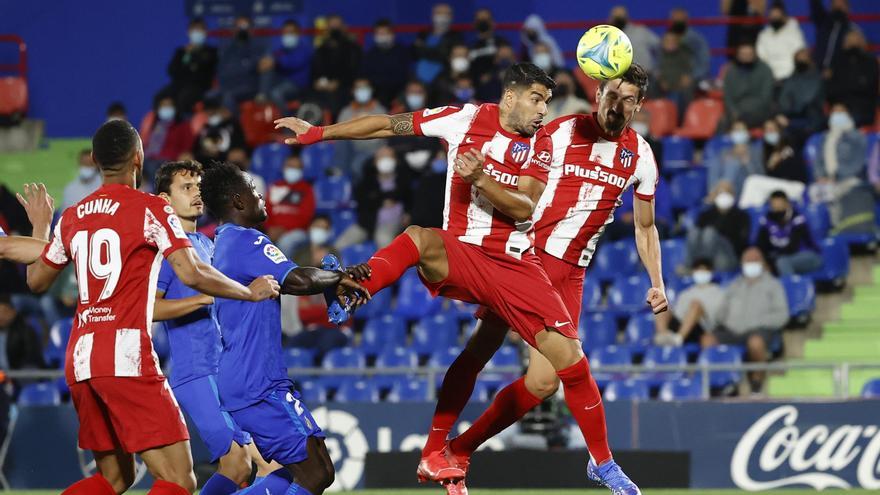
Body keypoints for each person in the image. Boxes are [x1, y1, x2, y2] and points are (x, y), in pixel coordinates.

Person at [276, 63, 663, 495]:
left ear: (639, 105)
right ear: (513, 96)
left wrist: (478, 176)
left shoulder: (551, 144)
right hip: (495, 253)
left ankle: (456, 452)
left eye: (629, 98)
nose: (542, 111)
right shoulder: (529, 127)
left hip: (527, 265)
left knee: (546, 376)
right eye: (537, 100)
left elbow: (528, 208)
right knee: (419, 240)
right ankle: (353, 289)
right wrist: (319, 132)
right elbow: (390, 124)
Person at [24, 120, 280, 495]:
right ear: (139, 158)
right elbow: (191, 273)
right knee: (178, 479)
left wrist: (41, 227)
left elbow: (36, 281)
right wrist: (248, 292)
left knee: (115, 479)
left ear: (95, 160)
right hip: (125, 356)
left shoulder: (74, 215)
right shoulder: (150, 210)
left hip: (80, 359)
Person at [200, 161, 368, 495]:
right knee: (317, 471)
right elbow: (297, 279)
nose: (260, 195)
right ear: (237, 200)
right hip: (257, 381)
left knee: (301, 471)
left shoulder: (228, 242)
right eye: (252, 188)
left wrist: (331, 278)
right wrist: (338, 276)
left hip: (250, 378)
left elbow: (300, 277)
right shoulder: (247, 241)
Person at [152, 160, 279, 495]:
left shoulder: (209, 245)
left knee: (259, 465)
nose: (197, 193)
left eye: (198, 186)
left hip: (229, 372)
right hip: (197, 371)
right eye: (186, 187)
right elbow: (149, 308)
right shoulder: (168, 252)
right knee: (239, 462)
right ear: (165, 200)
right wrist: (206, 299)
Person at [710, 247, 789, 394]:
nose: (751, 263)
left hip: (759, 329)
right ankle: (721, 383)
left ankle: (756, 385)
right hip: (732, 330)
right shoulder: (734, 285)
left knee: (755, 342)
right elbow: (720, 313)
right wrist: (722, 320)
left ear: (762, 263)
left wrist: (758, 321)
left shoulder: (773, 285)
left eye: (755, 260)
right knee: (708, 340)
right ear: (742, 263)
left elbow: (782, 315)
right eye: (748, 260)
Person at [654, 259, 726, 347]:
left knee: (695, 305)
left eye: (704, 270)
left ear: (710, 272)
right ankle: (662, 337)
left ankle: (678, 339)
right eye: (698, 270)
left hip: (702, 328)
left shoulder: (719, 293)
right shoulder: (685, 293)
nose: (701, 273)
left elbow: (718, 317)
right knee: (661, 306)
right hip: (681, 324)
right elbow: (677, 314)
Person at [685, 182, 751, 272]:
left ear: (733, 195)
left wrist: (719, 236)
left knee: (710, 232)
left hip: (728, 253)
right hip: (705, 252)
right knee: (694, 232)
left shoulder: (742, 215)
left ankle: (704, 265)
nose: (724, 196)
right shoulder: (706, 214)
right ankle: (690, 265)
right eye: (720, 193)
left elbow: (741, 241)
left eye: (727, 193)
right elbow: (697, 236)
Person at [354, 146, 412, 247]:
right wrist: (383, 200)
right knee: (340, 244)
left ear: (396, 161)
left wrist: (408, 213)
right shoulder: (366, 183)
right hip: (367, 223)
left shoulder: (404, 180)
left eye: (389, 157)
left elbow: (410, 200)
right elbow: (363, 203)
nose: (385, 160)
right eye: (381, 157)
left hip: (392, 223)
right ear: (374, 162)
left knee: (383, 238)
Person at [756, 190, 822, 275]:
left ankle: (790, 287)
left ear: (787, 204)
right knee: (756, 262)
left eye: (779, 205)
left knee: (782, 262)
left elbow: (793, 247)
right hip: (780, 258)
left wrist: (772, 258)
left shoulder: (797, 219)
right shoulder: (766, 220)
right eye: (774, 205)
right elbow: (760, 244)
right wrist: (764, 259)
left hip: (808, 255)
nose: (776, 208)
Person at [826, 30, 879, 129]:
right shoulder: (837, 62)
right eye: (849, 40)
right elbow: (831, 88)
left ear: (863, 42)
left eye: (855, 40)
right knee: (823, 122)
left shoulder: (870, 62)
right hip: (838, 106)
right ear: (844, 44)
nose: (852, 43)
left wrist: (844, 105)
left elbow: (868, 86)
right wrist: (837, 104)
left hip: (862, 107)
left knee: (845, 121)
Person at [163, 18, 218, 113]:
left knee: (184, 97)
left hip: (200, 87)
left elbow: (204, 69)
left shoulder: (212, 52)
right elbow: (171, 71)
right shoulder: (181, 52)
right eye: (194, 30)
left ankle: (183, 125)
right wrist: (187, 55)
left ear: (205, 32)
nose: (197, 33)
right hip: (179, 85)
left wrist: (194, 54)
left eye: (200, 29)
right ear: (189, 32)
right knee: (161, 96)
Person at [265, 154, 316, 256]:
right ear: (283, 168)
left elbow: (306, 217)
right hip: (272, 230)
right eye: (290, 166)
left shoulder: (306, 190)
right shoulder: (275, 186)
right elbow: (265, 210)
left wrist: (283, 230)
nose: (293, 170)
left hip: (297, 232)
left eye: (297, 167)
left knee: (286, 243)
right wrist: (269, 228)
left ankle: (281, 271)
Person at [216, 15, 269, 112]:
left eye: (245, 27)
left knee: (228, 97)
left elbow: (263, 68)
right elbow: (222, 71)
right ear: (233, 29)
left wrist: (262, 92)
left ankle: (235, 126)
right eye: (239, 27)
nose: (242, 30)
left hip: (249, 87)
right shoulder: (228, 49)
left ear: (251, 29)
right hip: (229, 86)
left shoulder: (258, 48)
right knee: (210, 96)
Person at [311, 14, 362, 115]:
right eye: (332, 26)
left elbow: (354, 71)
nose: (335, 29)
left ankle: (335, 127)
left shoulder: (352, 48)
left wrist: (338, 83)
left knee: (336, 99)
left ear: (343, 27)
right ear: (327, 28)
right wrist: (316, 82)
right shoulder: (321, 49)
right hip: (323, 88)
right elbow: (315, 71)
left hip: (345, 87)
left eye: (337, 26)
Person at [260, 19, 312, 111]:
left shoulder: (304, 49)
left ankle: (288, 123)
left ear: (298, 33)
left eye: (291, 32)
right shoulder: (282, 50)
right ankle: (262, 95)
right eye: (286, 32)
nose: (288, 35)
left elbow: (294, 63)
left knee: (276, 93)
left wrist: (275, 61)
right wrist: (265, 62)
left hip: (297, 85)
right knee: (267, 64)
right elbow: (272, 59)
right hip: (282, 81)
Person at [722, 42, 775, 129]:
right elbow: (728, 97)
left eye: (749, 54)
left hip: (760, 112)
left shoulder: (765, 70)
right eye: (743, 54)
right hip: (737, 112)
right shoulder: (730, 72)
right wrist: (734, 113)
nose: (746, 57)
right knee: (723, 123)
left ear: (755, 54)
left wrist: (744, 117)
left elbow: (766, 97)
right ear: (738, 55)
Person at [361, 18, 412, 107]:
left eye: (384, 33)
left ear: (392, 34)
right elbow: (366, 76)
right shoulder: (370, 54)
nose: (382, 36)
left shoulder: (402, 52)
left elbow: (404, 76)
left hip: (399, 96)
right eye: (379, 33)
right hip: (376, 97)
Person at [777, 49, 826, 136]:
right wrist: (783, 113)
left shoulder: (817, 77)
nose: (800, 61)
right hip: (792, 116)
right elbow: (784, 100)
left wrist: (791, 116)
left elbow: (810, 99)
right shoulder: (791, 79)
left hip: (811, 117)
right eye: (798, 59)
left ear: (810, 60)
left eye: (803, 58)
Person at [707, 121, 763, 196]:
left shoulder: (755, 151)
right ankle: (715, 191)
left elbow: (760, 176)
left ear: (748, 133)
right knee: (715, 162)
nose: (738, 132)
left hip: (744, 186)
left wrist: (747, 163)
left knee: (733, 162)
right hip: (728, 187)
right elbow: (715, 170)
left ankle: (715, 194)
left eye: (741, 130)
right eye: (736, 130)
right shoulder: (725, 152)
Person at [413, 3, 464, 85]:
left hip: (442, 82)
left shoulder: (456, 36)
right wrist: (437, 51)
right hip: (419, 82)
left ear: (451, 17)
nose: (442, 17)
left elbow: (443, 55)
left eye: (446, 14)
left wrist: (423, 49)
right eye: (439, 13)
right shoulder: (424, 33)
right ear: (433, 15)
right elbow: (414, 52)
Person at [756, 2, 806, 81]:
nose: (775, 17)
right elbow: (761, 56)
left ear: (784, 15)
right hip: (769, 77)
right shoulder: (764, 35)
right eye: (772, 15)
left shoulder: (793, 31)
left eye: (777, 14)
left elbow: (799, 53)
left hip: (790, 76)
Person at [811, 0, 861, 74]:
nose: (837, 8)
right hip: (817, 72)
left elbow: (857, 56)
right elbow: (815, 6)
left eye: (840, 6)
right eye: (835, 5)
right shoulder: (822, 22)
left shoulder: (852, 30)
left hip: (839, 75)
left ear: (848, 8)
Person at [0, 293, 45, 372]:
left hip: (20, 374)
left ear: (13, 313)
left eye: (5, 312)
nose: (1, 316)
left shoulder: (25, 331)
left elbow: (31, 357)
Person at [609, 5, 659, 74]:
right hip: (623, 78)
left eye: (620, 16)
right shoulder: (609, 37)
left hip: (646, 75)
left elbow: (660, 46)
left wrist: (657, 70)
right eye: (616, 17)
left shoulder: (641, 31)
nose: (618, 19)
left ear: (627, 17)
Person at [656, 31, 695, 121]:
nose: (670, 43)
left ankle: (677, 122)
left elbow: (688, 72)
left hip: (679, 87)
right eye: (668, 41)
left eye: (673, 41)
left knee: (680, 95)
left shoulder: (684, 55)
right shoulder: (659, 56)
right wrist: (661, 80)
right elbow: (656, 71)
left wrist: (686, 77)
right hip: (662, 87)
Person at [469, 9, 510, 87]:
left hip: (500, 87)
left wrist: (491, 74)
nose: (483, 22)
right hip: (476, 89)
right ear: (474, 23)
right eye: (480, 20)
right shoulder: (469, 45)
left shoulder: (502, 43)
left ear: (493, 22)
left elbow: (512, 64)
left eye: (486, 19)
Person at [668, 8, 710, 83]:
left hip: (692, 78)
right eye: (675, 21)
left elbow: (704, 64)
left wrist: (691, 77)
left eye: (680, 21)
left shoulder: (696, 40)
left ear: (687, 21)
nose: (677, 24)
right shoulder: (666, 39)